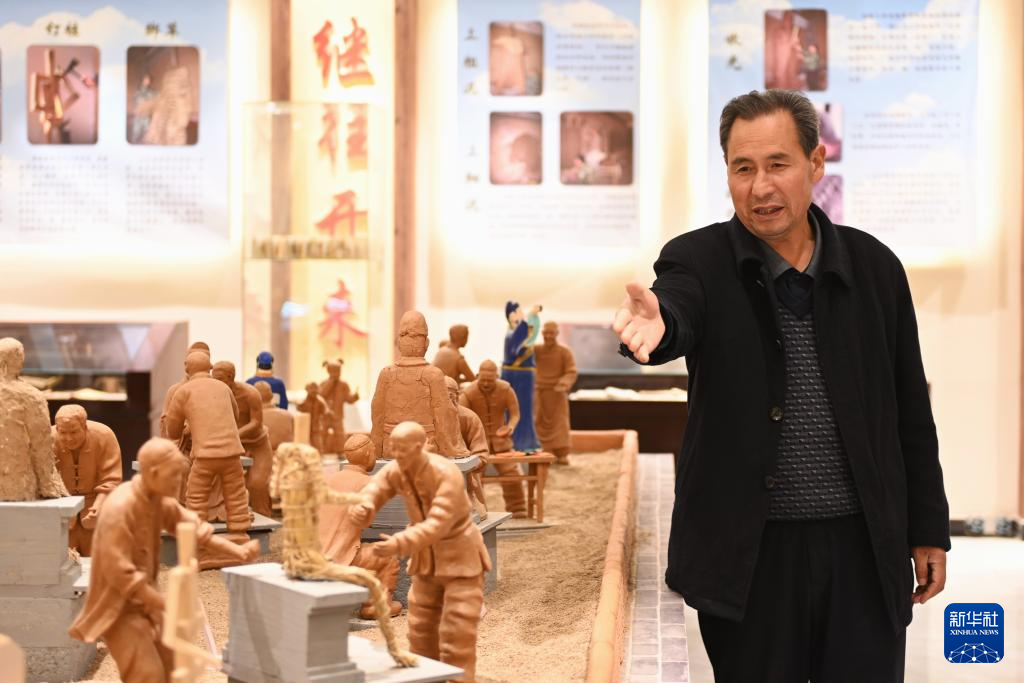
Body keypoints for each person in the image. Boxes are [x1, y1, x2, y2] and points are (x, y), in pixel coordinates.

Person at [613, 89, 949, 682]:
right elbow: (677, 307)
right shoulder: (698, 261)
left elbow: (908, 414)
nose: (760, 187)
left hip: (862, 552)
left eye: (777, 164)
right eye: (743, 168)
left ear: (815, 163)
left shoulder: (874, 268)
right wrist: (660, 325)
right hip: (751, 558)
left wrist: (927, 529)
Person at [68, 438, 258, 683]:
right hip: (119, 608)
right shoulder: (120, 508)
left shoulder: (158, 499)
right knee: (147, 674)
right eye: (174, 476)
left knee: (172, 661)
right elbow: (120, 573)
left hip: (148, 601)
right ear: (154, 473)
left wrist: (238, 552)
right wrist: (163, 604)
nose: (179, 482)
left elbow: (194, 529)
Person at [350, 422, 490, 682]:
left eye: (401, 449)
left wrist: (399, 543)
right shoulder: (400, 467)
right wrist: (365, 506)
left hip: (459, 559)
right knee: (421, 626)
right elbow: (378, 487)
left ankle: (459, 679)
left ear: (419, 447)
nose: (396, 455)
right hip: (426, 559)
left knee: (457, 627)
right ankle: (428, 676)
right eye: (393, 448)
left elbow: (438, 523)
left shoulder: (445, 474)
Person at [164, 351, 251, 539]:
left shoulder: (183, 391)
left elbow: (172, 429)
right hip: (231, 452)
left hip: (205, 456)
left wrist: (186, 430)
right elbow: (235, 416)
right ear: (209, 367)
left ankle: (198, 538)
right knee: (236, 494)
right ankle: (239, 532)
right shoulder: (223, 388)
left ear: (187, 369)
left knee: (196, 497)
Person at [319, 434, 401, 618]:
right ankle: (376, 606)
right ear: (367, 455)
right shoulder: (368, 484)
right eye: (374, 452)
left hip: (315, 555)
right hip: (339, 558)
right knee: (388, 556)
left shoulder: (329, 480)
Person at [0, 337, 68, 501]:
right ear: (19, 359)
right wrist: (48, 485)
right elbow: (41, 444)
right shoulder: (30, 396)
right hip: (17, 485)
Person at [52, 404, 122, 555]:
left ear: (84, 427)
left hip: (96, 512)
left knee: (99, 559)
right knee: (60, 560)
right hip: (61, 515)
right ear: (57, 429)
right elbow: (45, 481)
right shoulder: (47, 440)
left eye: (74, 432)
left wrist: (99, 506)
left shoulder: (104, 435)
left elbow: (111, 478)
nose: (69, 438)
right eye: (63, 432)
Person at [460, 361, 527, 518]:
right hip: (476, 445)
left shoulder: (506, 389)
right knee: (474, 477)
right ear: (477, 376)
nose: (486, 383)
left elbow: (515, 413)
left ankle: (517, 507)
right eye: (483, 379)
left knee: (511, 473)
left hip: (501, 442)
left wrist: (510, 427)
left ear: (497, 377)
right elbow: (461, 416)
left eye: (490, 380)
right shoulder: (468, 393)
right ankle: (477, 511)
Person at [533, 321, 578, 465]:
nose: (548, 336)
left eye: (551, 333)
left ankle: (561, 452)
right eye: (545, 333)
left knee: (560, 423)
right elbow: (522, 358)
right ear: (542, 333)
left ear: (557, 334)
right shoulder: (536, 350)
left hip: (557, 393)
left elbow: (571, 371)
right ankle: (546, 451)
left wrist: (564, 382)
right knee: (539, 422)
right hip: (540, 393)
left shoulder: (564, 352)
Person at [501, 301, 541, 452]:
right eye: (516, 312)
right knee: (511, 407)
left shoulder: (520, 328)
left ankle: (525, 441)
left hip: (523, 373)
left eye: (519, 312)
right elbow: (514, 351)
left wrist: (532, 317)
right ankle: (513, 441)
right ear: (510, 315)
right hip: (512, 373)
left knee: (524, 407)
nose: (520, 314)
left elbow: (520, 347)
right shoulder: (512, 330)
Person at [319, 358, 359, 454]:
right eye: (333, 371)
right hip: (325, 415)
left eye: (338, 371)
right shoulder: (324, 383)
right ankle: (320, 451)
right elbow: (320, 395)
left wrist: (354, 397)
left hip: (337, 415)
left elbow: (348, 398)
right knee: (322, 433)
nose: (336, 374)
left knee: (339, 434)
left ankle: (341, 452)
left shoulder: (343, 385)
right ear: (329, 371)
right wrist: (330, 382)